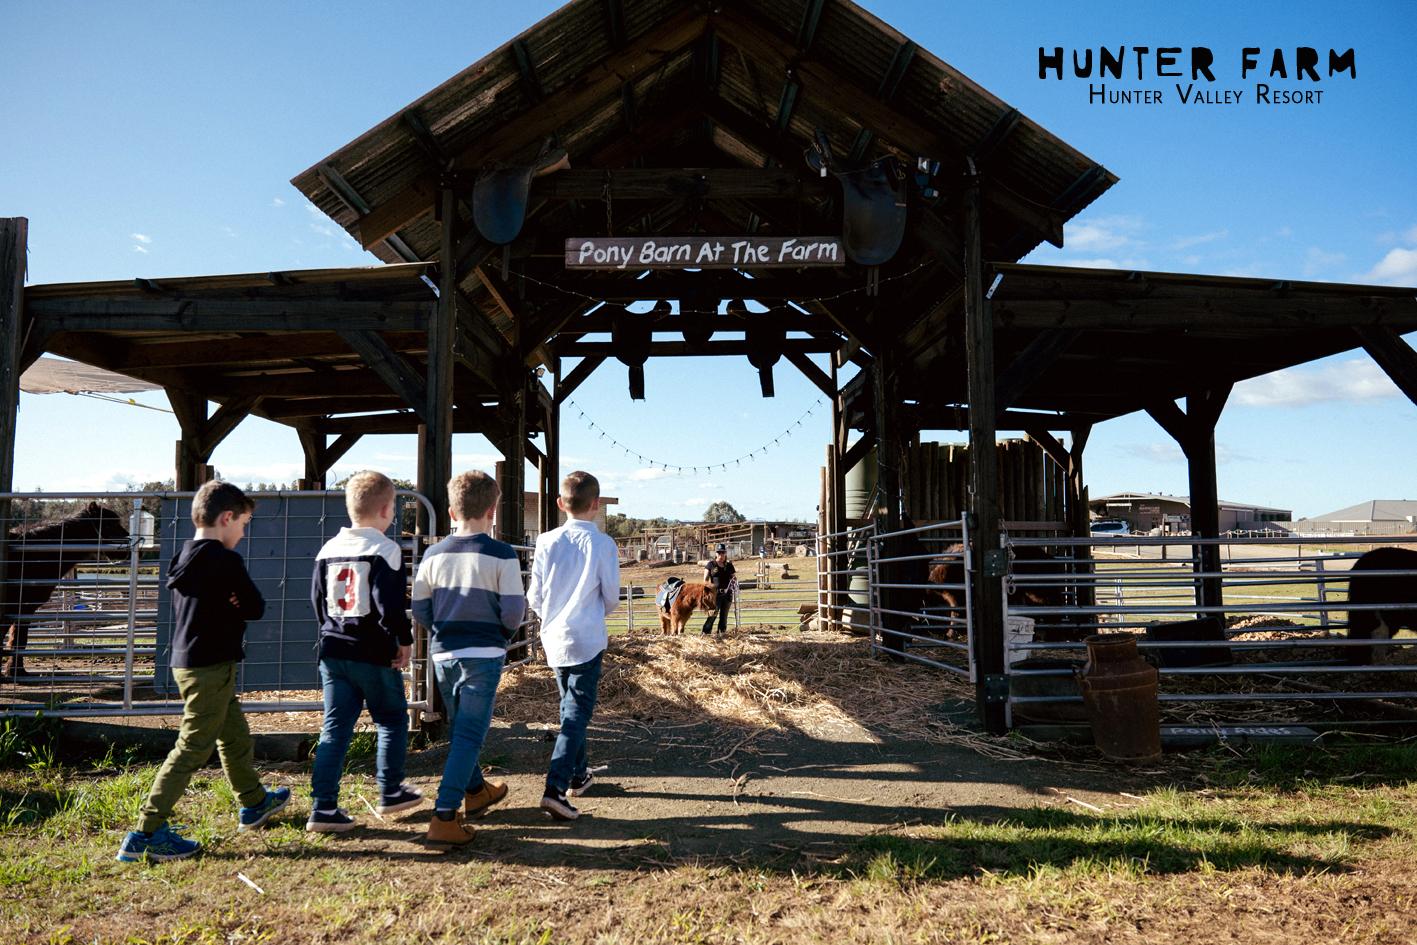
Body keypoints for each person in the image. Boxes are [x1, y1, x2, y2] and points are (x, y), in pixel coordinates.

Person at [117, 481, 289, 863]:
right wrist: (235, 600)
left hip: (188, 663)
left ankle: (255, 802)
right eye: (243, 523)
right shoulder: (225, 561)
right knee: (193, 746)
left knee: (233, 733)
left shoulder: (183, 555)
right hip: (211, 665)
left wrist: (231, 600)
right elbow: (255, 606)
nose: (244, 532)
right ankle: (146, 832)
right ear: (226, 518)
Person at [413, 470, 526, 846]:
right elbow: (513, 611)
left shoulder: (432, 554)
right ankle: (445, 814)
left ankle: (477, 792)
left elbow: (421, 609)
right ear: (492, 510)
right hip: (484, 652)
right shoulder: (502, 554)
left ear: (449, 512)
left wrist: (442, 631)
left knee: (460, 726)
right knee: (469, 735)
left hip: (444, 652)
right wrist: (500, 636)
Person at [306, 471, 422, 833]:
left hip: (333, 648)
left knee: (334, 728)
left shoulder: (327, 549)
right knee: (390, 719)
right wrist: (404, 640)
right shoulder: (385, 550)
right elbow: (388, 605)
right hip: (373, 652)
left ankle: (323, 806)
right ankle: (390, 790)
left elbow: (316, 601)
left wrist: (330, 632)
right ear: (388, 509)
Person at [526, 470, 620, 821]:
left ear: (559, 503)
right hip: (587, 636)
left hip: (554, 637)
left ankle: (579, 775)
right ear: (596, 505)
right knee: (576, 714)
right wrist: (594, 612)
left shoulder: (546, 541)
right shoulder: (603, 544)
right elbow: (611, 596)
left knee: (569, 707)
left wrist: (550, 617)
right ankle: (555, 788)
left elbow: (534, 595)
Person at [702, 544, 736, 635]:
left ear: (725, 553)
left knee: (724, 617)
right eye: (719, 553)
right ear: (716, 554)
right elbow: (705, 580)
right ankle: (705, 633)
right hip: (715, 595)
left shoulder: (729, 565)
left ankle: (721, 634)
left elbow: (734, 578)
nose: (721, 555)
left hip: (727, 594)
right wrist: (711, 588)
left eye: (723, 553)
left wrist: (733, 583)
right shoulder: (711, 565)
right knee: (712, 615)